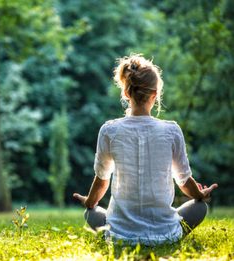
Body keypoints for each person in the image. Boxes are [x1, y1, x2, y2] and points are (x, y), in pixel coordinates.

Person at [73, 53, 218, 245]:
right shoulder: (171, 130)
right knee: (200, 208)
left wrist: (89, 202)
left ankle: (119, 230)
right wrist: (200, 195)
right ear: (155, 94)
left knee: (90, 212)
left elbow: (101, 182)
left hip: (119, 236)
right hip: (165, 234)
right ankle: (167, 234)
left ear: (126, 93)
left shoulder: (109, 130)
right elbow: (183, 181)